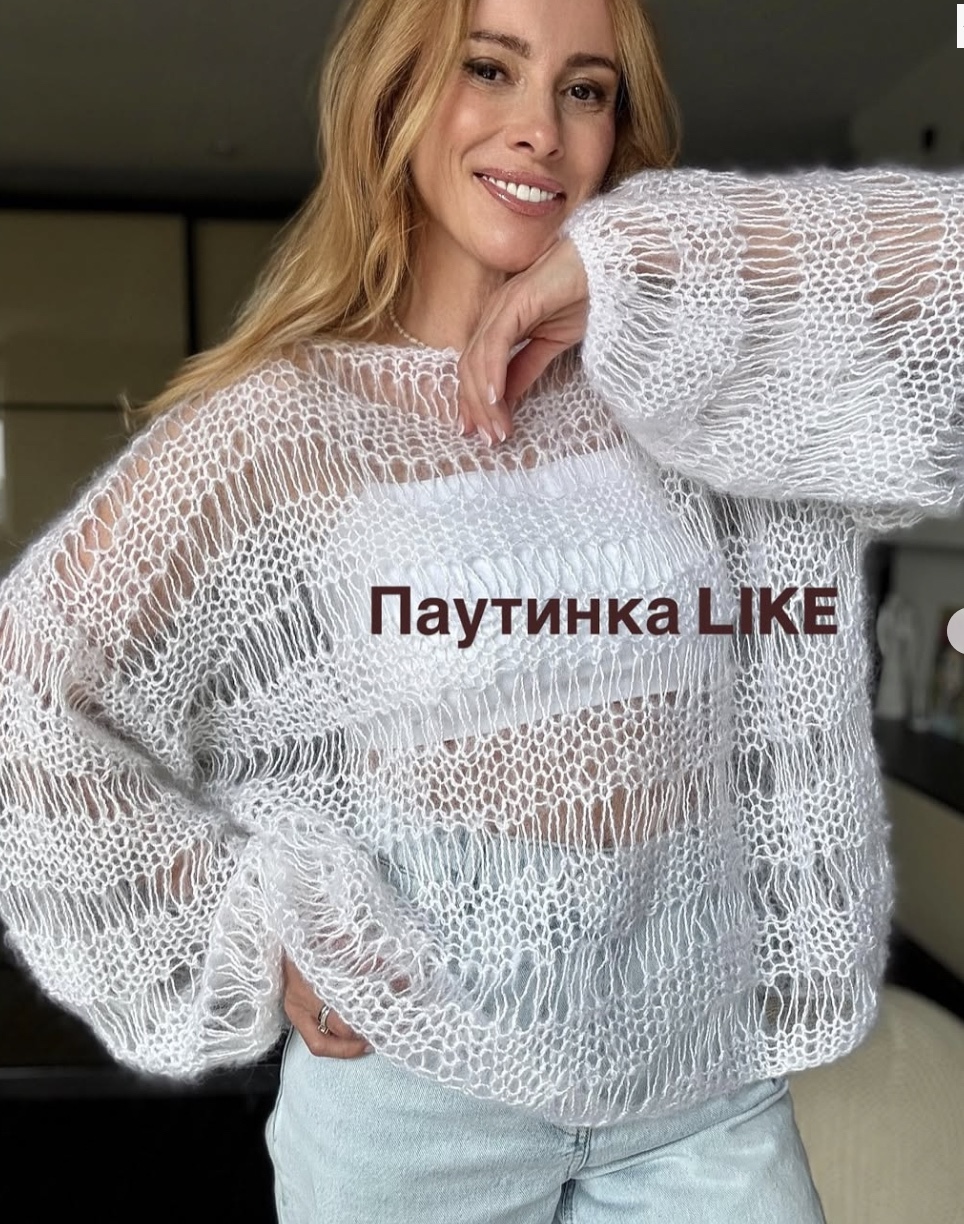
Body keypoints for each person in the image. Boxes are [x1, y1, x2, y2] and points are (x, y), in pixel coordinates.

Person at [0, 0, 962, 1220]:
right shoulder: (276, 432)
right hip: (417, 1100)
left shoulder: (688, 384)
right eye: (489, 70)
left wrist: (638, 261)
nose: (539, 130)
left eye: (584, 89)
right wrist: (252, 923)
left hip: (697, 1086)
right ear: (396, 97)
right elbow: (27, 679)